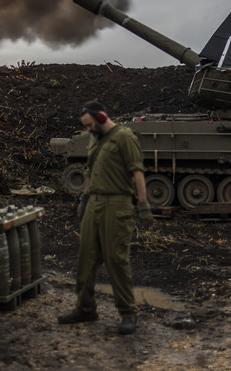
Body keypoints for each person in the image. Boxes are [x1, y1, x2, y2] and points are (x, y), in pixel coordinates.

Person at [58, 100, 153, 335]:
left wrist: (143, 205)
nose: (88, 130)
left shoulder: (124, 137)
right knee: (86, 257)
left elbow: (137, 172)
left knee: (116, 260)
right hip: (95, 204)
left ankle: (128, 313)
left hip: (117, 204)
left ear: (101, 117)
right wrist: (84, 199)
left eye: (90, 125)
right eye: (86, 126)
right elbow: (90, 171)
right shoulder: (95, 139)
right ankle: (85, 308)